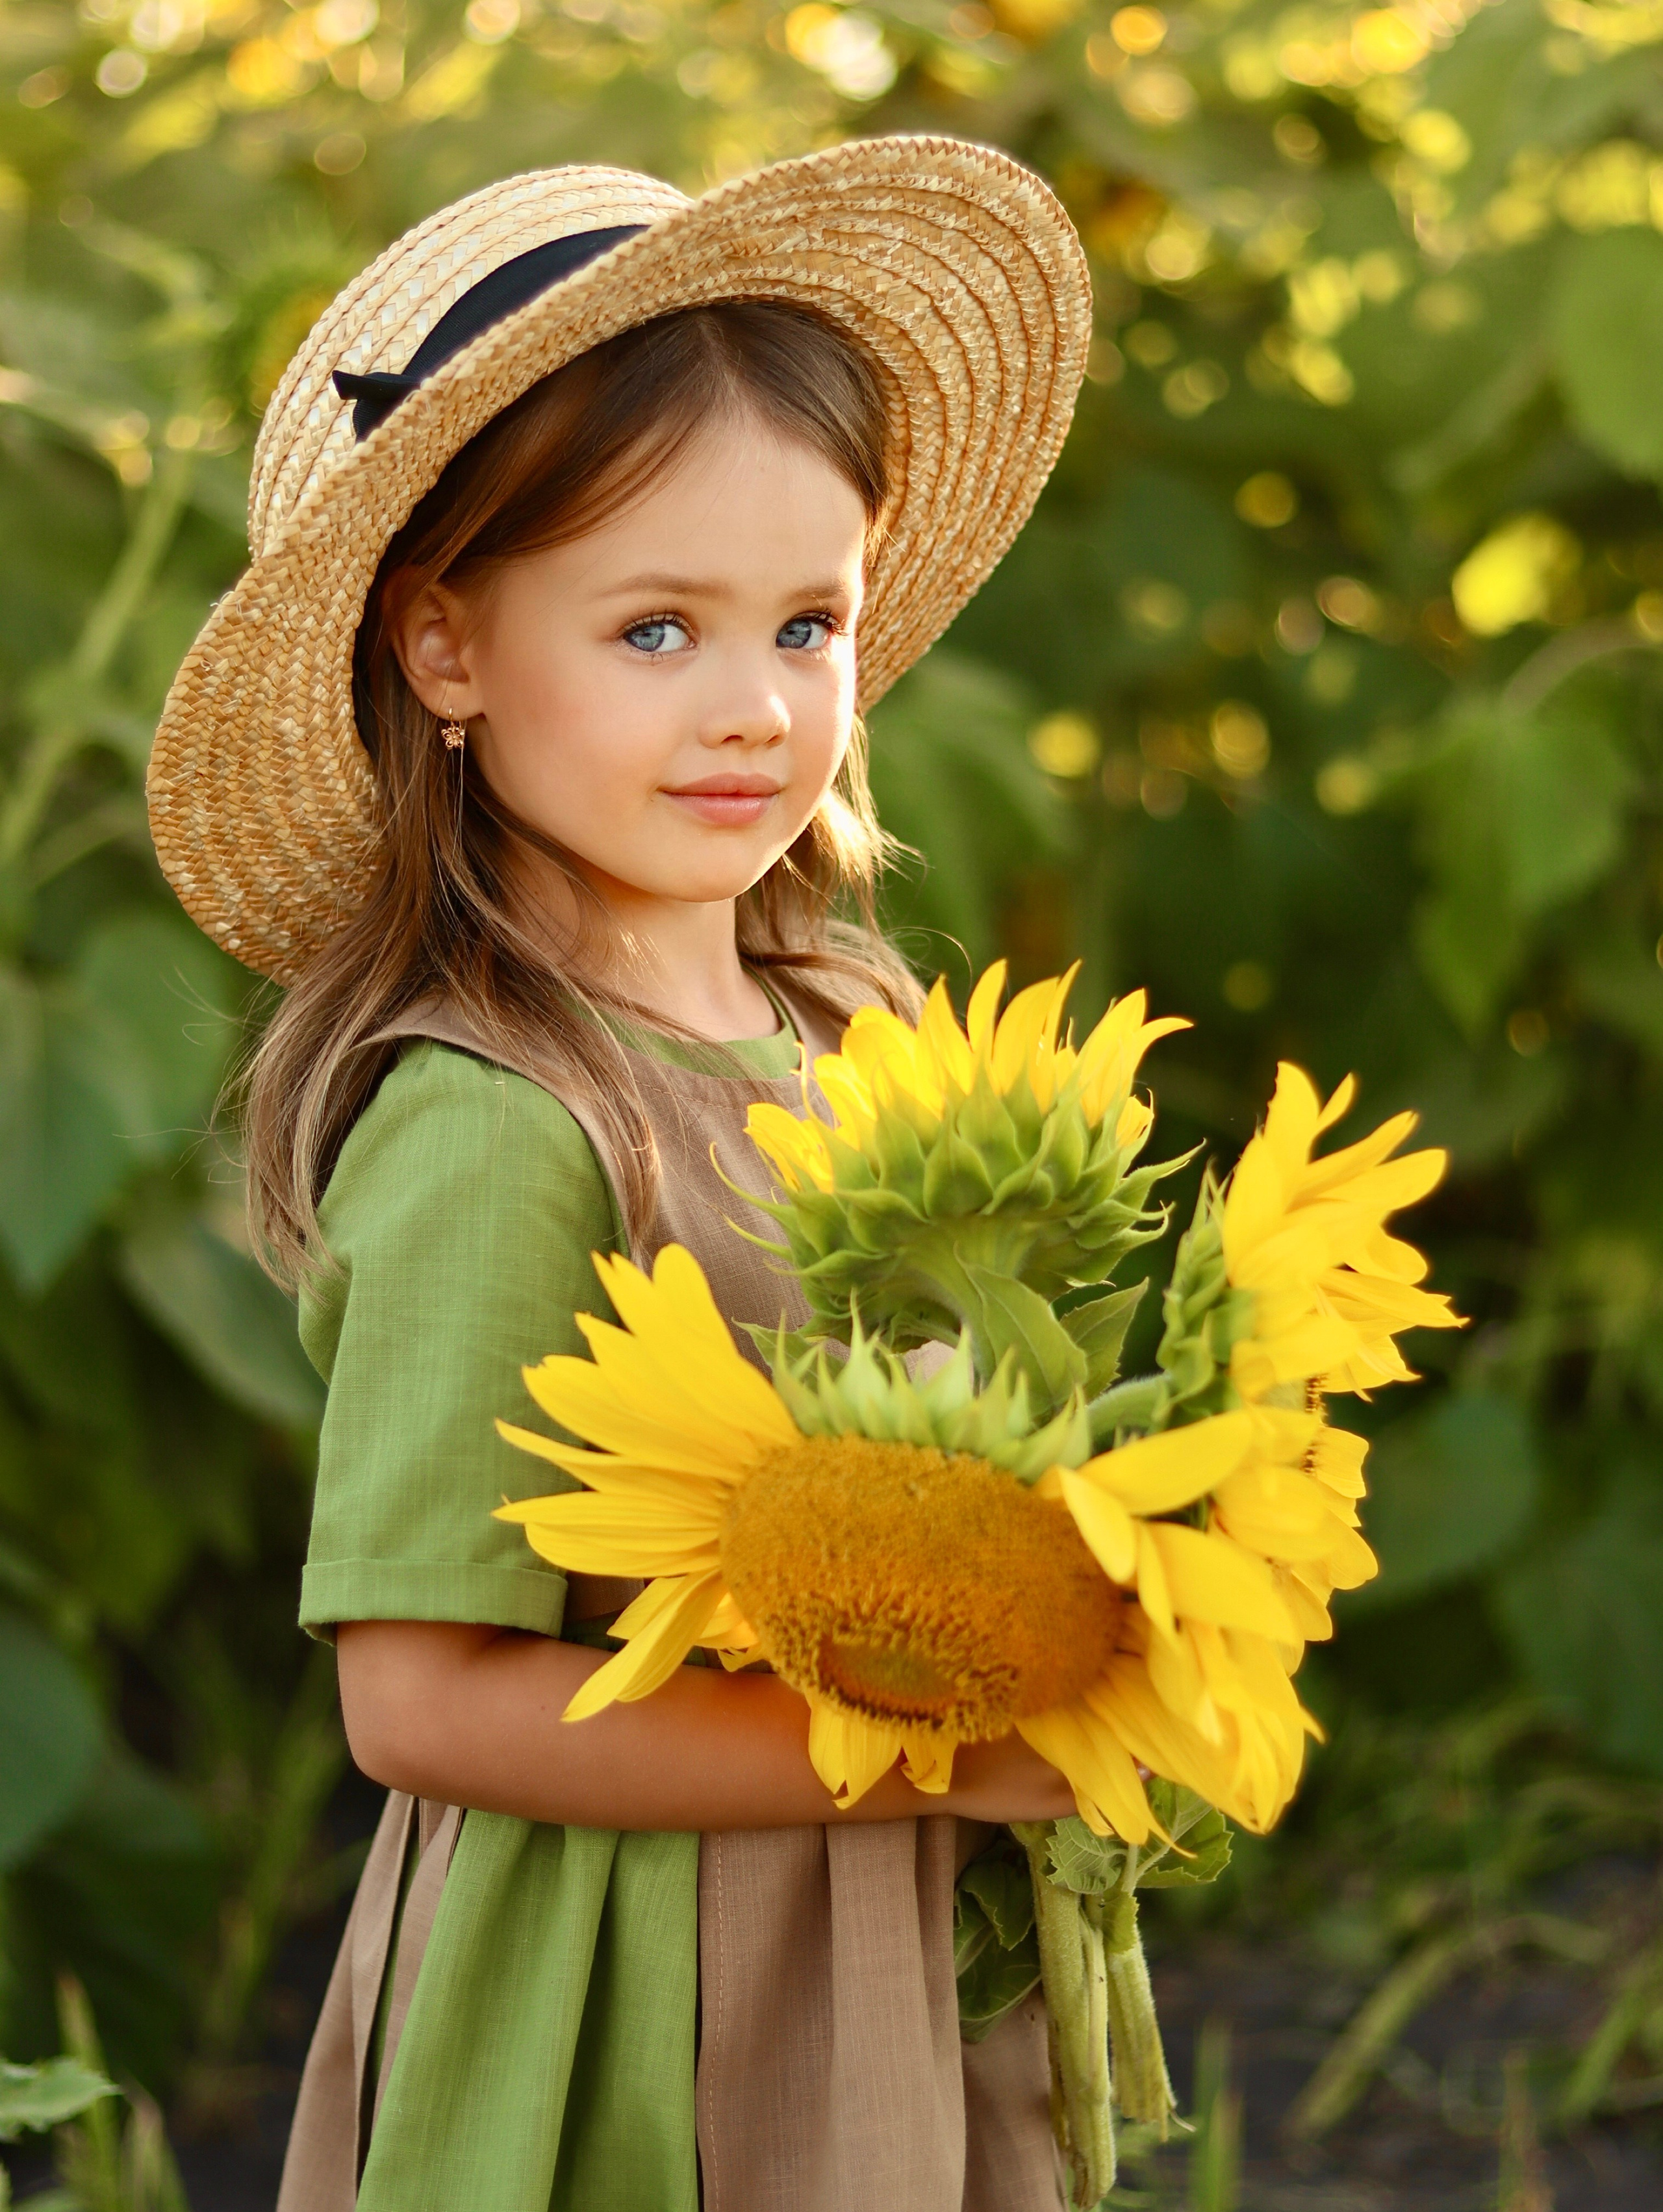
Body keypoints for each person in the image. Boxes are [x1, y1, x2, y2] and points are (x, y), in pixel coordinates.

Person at [149, 143, 1092, 2212]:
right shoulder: (502, 1121)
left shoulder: (856, 1027)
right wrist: (928, 1745)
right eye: (656, 627)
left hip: (891, 1944)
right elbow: (419, 1700)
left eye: (807, 624)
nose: (756, 708)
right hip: (636, 2006)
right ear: (446, 649)